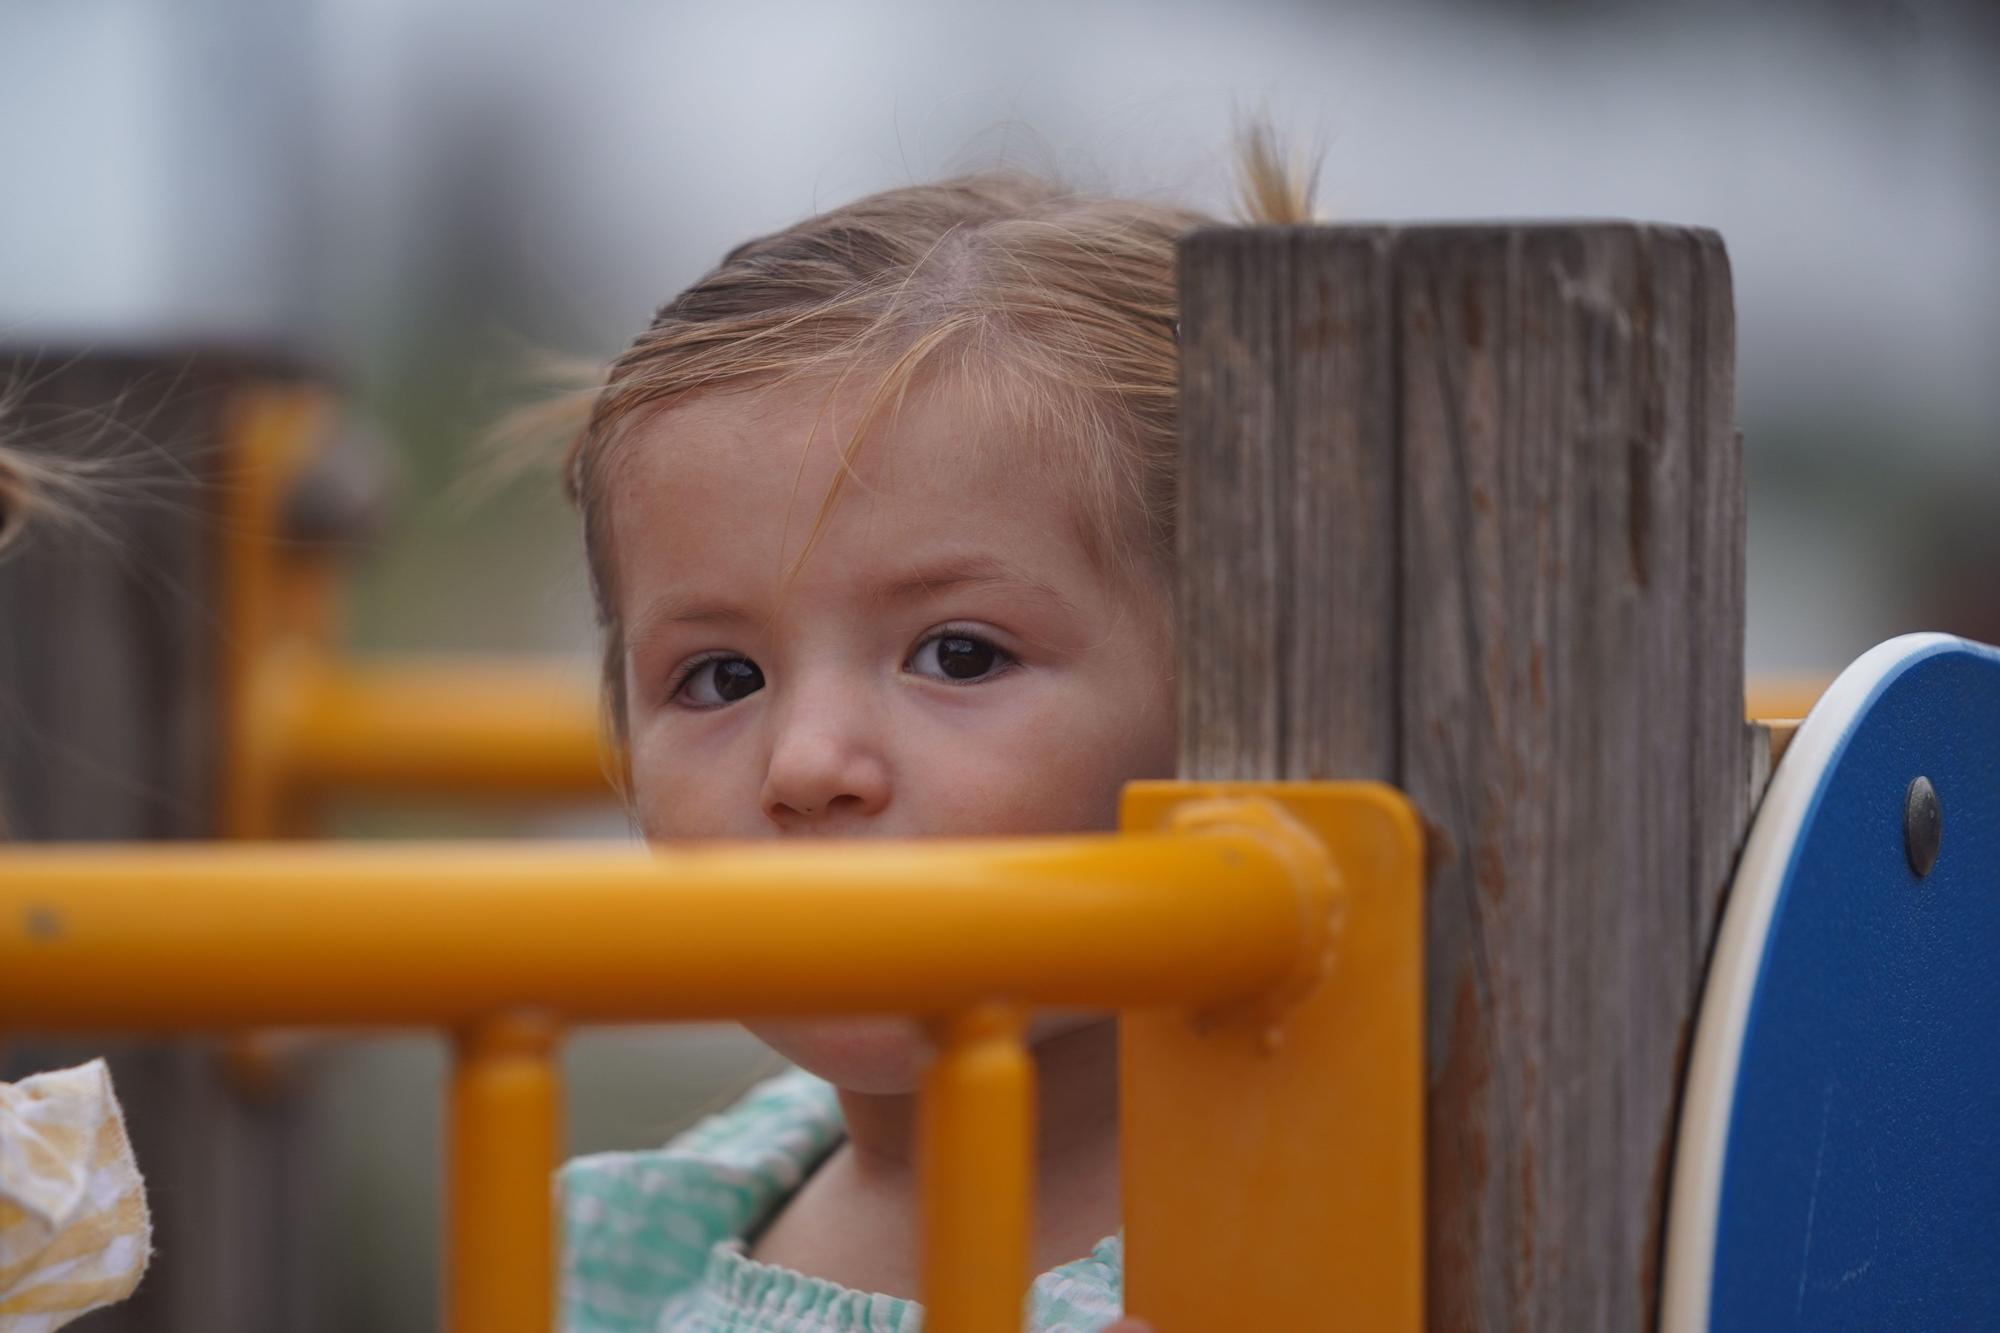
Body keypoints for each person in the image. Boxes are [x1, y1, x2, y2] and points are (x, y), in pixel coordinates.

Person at [551, 130, 1315, 1333]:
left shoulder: (1342, 1246)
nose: (805, 765)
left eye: (958, 654)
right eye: (719, 676)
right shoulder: (631, 1239)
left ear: (1236, 703)